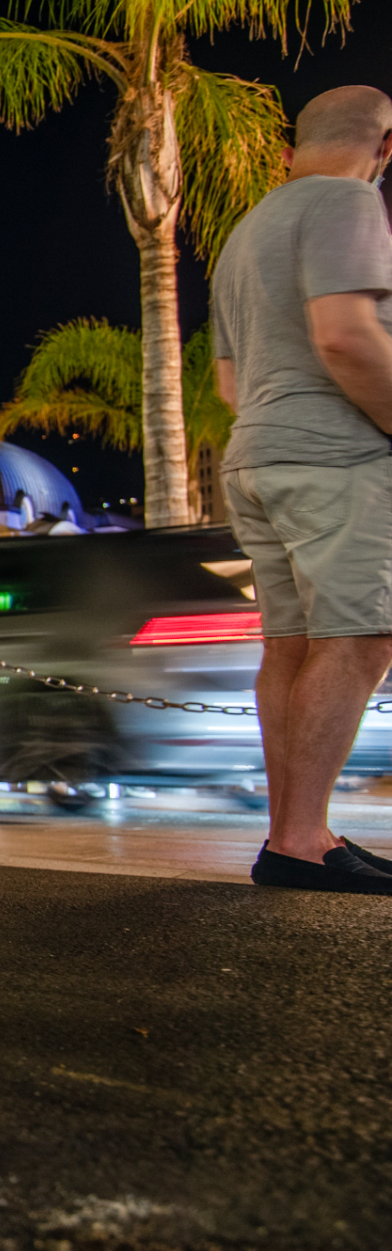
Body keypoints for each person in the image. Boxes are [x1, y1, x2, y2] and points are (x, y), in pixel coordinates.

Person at [214, 84, 392, 893]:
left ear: (293, 146)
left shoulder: (245, 232)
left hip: (258, 452)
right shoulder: (349, 204)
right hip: (335, 456)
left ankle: (296, 833)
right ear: (382, 146)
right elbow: (346, 336)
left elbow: (228, 380)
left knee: (290, 645)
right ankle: (298, 837)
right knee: (358, 639)